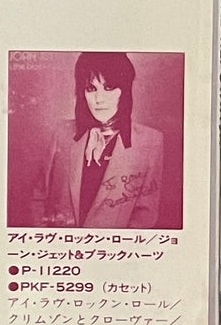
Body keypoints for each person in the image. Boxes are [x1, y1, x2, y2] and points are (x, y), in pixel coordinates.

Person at [27, 50, 169, 229]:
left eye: (108, 88)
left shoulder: (150, 142)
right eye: (91, 89)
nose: (99, 99)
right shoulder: (61, 133)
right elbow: (39, 199)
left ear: (124, 90)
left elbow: (145, 217)